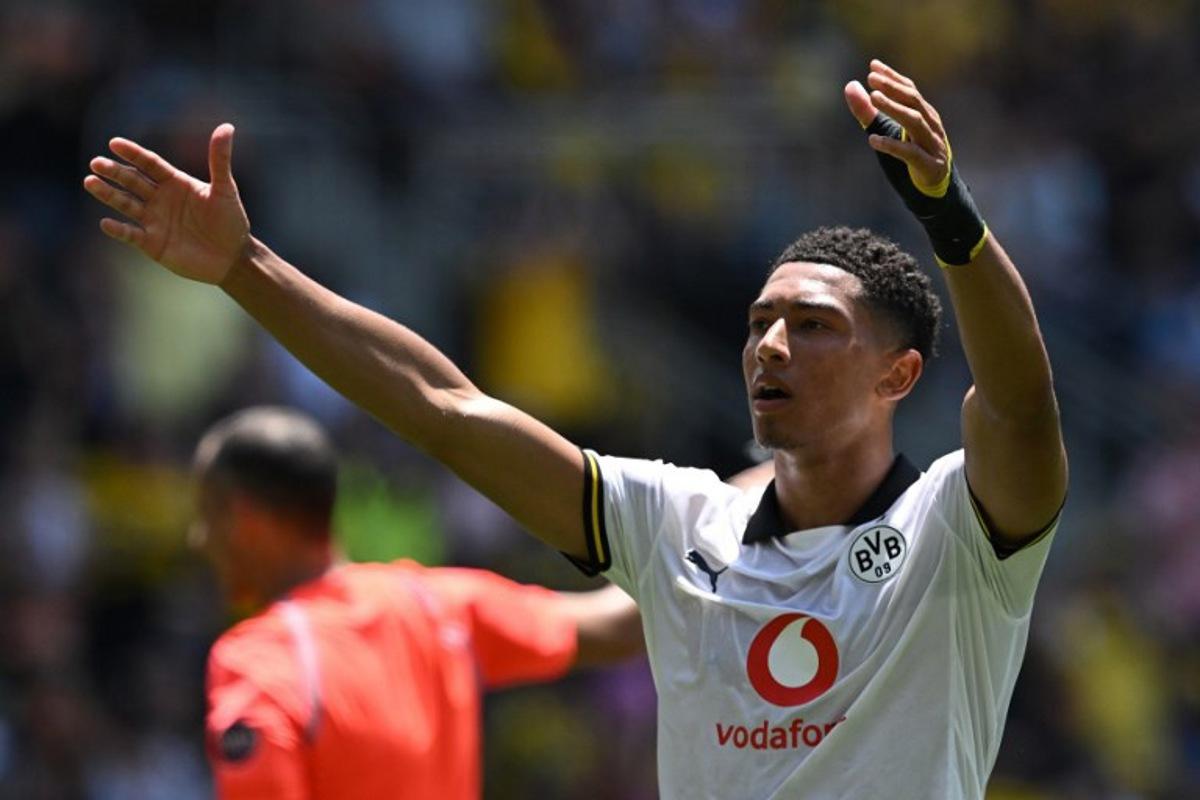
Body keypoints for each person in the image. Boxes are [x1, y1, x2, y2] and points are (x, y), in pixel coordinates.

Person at [85, 59, 1067, 798]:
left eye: (812, 327)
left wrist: (951, 221)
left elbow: (1021, 404)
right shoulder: (674, 522)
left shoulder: (960, 532)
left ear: (901, 372)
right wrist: (246, 265)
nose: (771, 345)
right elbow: (446, 408)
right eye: (760, 321)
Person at [189, 405, 643, 799]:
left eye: (207, 515)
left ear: (243, 518)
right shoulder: (437, 605)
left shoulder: (257, 660)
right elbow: (624, 625)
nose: (198, 540)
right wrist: (705, 529)